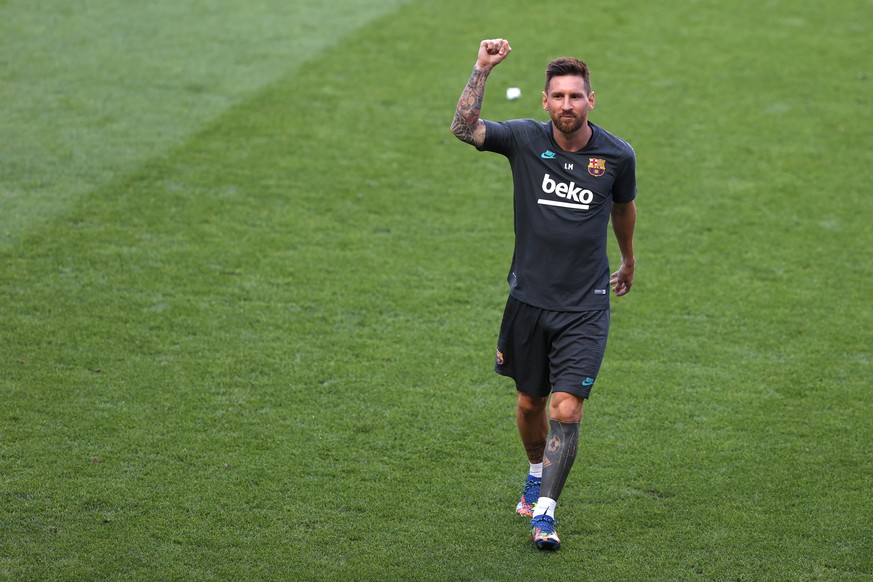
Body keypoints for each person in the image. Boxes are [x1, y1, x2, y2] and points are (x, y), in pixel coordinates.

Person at [450, 39, 637, 551]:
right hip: (529, 301)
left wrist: (628, 259)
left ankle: (546, 516)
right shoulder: (526, 141)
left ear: (591, 100)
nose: (567, 105)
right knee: (530, 401)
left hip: (585, 306)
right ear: (544, 101)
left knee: (566, 409)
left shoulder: (617, 156)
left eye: (576, 96)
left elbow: (624, 210)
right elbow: (464, 128)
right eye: (558, 97)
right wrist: (482, 69)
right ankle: (535, 472)